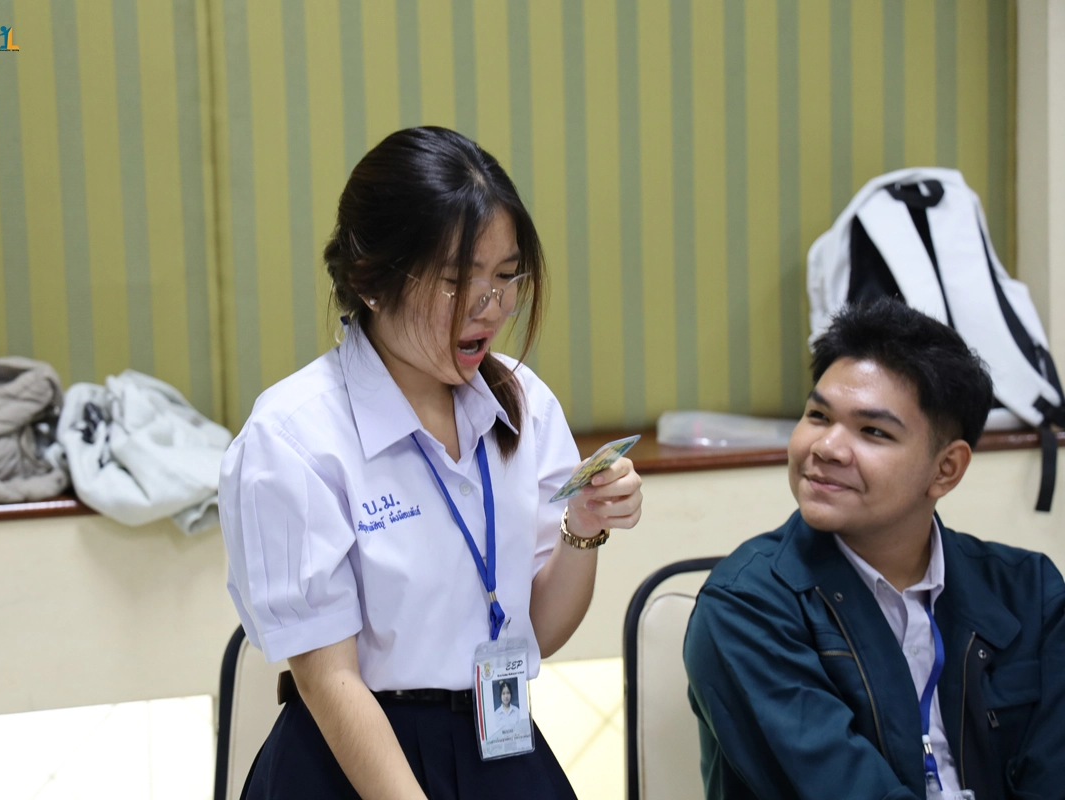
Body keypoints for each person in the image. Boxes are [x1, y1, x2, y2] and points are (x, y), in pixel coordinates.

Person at [219, 126, 644, 800]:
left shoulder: (524, 403)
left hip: (498, 741)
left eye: (505, 276)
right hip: (353, 761)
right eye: (456, 281)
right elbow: (329, 680)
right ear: (371, 281)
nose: (490, 306)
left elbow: (537, 630)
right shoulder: (293, 437)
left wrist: (583, 527)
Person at [683, 299, 1065, 800]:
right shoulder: (745, 609)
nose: (826, 448)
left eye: (873, 431)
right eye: (818, 415)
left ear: (946, 469)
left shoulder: (1031, 593)